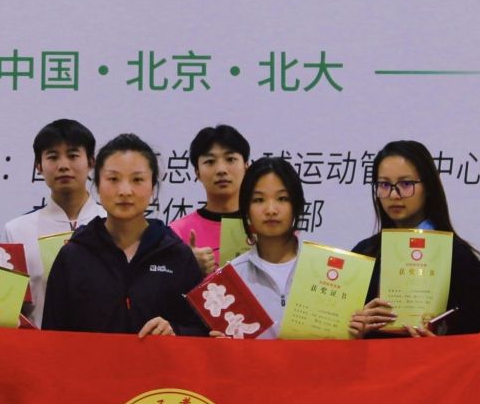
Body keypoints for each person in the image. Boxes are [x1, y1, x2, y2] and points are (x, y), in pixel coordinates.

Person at [40, 133, 204, 337]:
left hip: (159, 360)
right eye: (113, 179)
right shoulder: (73, 256)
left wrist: (175, 331)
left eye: (137, 180)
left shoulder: (177, 255)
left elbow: (202, 331)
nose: (125, 191)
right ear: (97, 185)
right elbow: (52, 336)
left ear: (153, 187)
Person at [344, 140, 480, 339]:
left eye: (406, 184)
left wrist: (441, 342)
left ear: (428, 187)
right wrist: (354, 328)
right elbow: (340, 335)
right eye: (384, 185)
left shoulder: (459, 257)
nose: (394, 194)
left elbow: (479, 336)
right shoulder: (363, 254)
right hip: (375, 359)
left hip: (435, 359)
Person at [0, 118, 104, 324]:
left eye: (73, 156)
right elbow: (1, 306)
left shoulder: (112, 224)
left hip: (102, 342)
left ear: (91, 162)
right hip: (37, 342)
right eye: (52, 157)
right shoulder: (16, 231)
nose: (63, 166)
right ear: (38, 166)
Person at [205, 156, 304, 339]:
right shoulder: (230, 279)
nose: (271, 210)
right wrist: (220, 347)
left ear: (296, 205)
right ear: (246, 209)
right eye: (259, 200)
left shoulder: (322, 271)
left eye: (282, 198)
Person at [170, 124, 250, 275]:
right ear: (197, 173)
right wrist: (187, 266)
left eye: (230, 159)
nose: (221, 170)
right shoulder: (176, 233)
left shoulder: (264, 227)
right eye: (210, 161)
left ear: (246, 166)